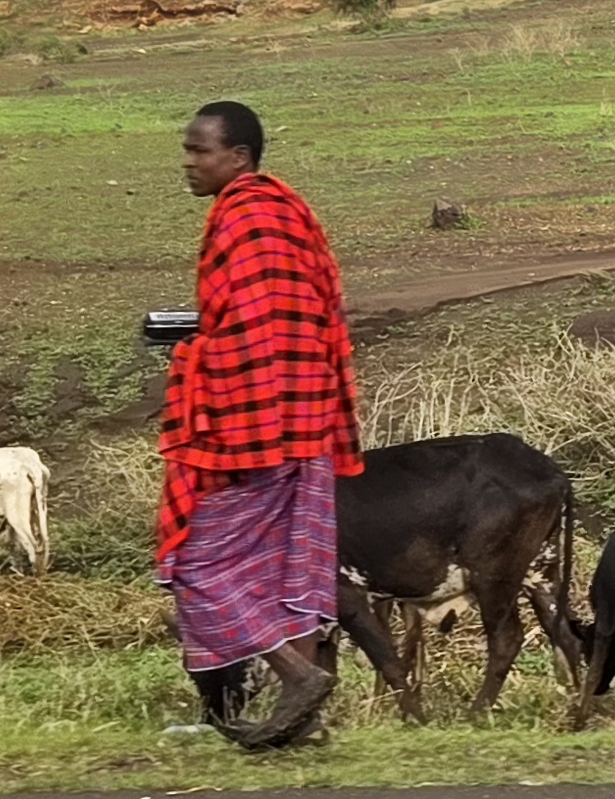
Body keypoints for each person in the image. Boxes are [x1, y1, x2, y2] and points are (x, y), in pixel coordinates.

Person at [156, 100, 362, 748]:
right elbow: (304, 314)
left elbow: (249, 333)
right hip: (309, 416)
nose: (188, 162)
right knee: (290, 565)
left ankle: (296, 676)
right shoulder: (288, 212)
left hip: (254, 426)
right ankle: (305, 725)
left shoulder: (243, 218)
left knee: (195, 562)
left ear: (238, 157)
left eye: (199, 150)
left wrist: (192, 356)